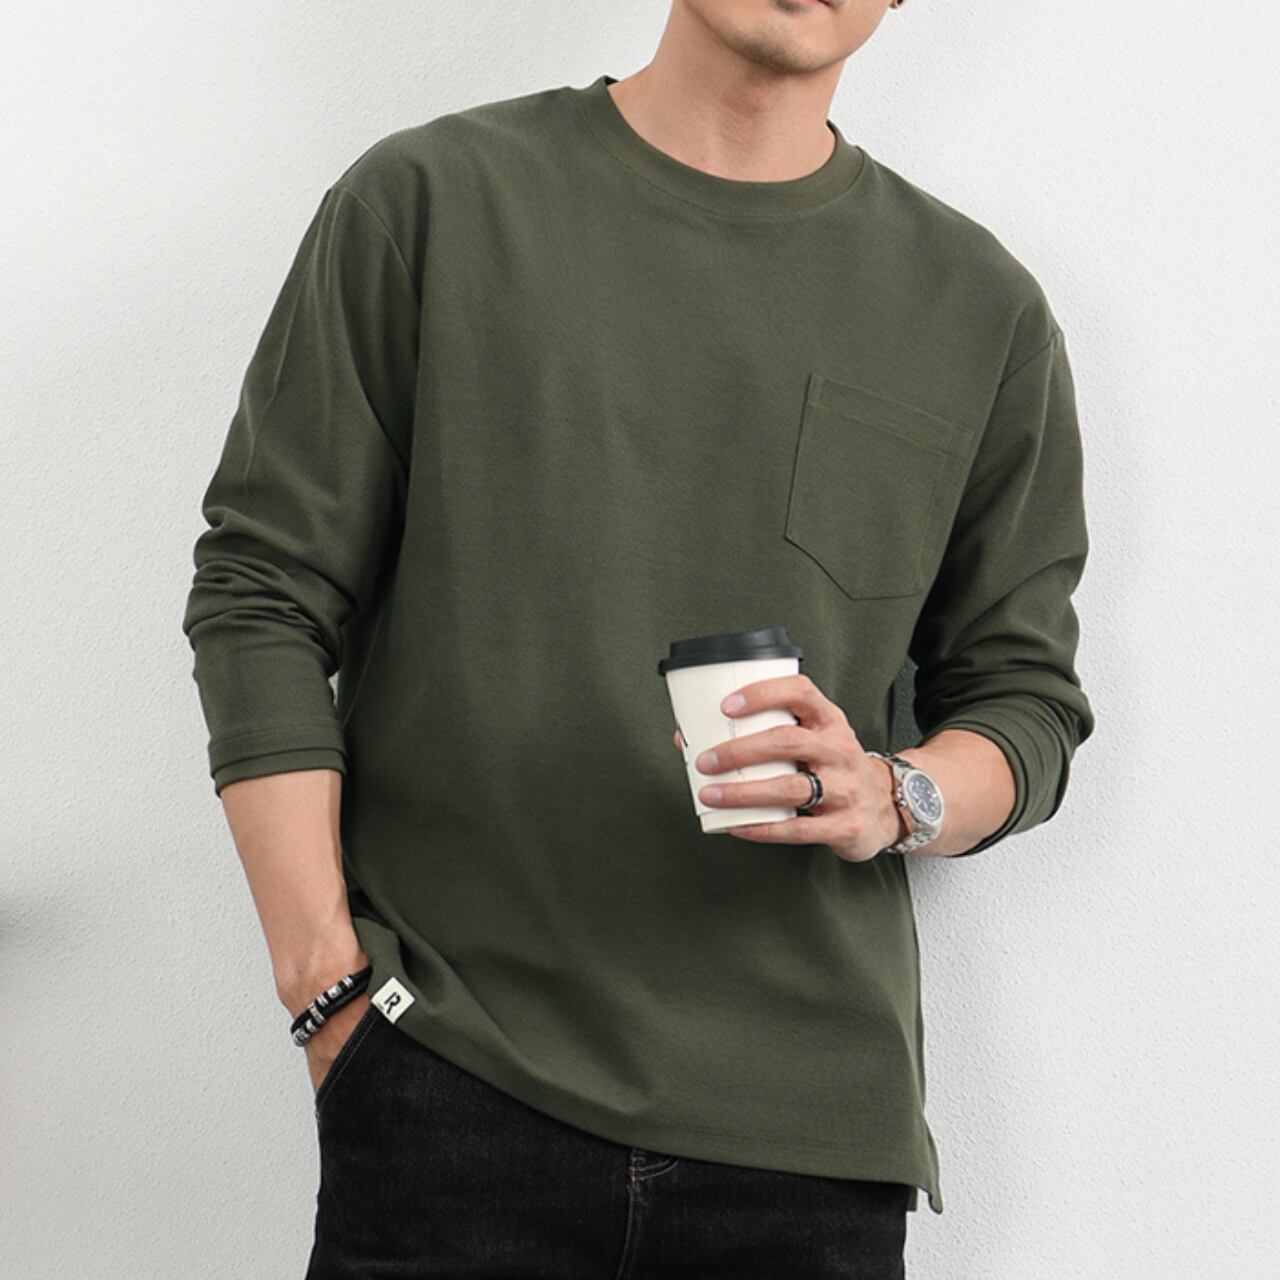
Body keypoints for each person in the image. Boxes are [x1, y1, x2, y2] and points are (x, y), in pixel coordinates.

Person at [181, 1, 1096, 1274]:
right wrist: (327, 988)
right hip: (451, 1085)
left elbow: (1024, 699)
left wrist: (896, 792)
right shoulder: (432, 202)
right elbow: (263, 590)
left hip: (805, 1144)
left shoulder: (977, 308)